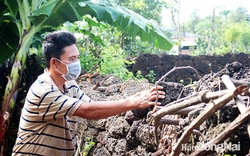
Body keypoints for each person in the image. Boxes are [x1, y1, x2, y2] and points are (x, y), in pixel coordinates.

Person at [12, 31, 165, 156]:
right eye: (72, 59)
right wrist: (133, 102)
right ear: (54, 62)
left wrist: (133, 98)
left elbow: (90, 105)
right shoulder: (43, 90)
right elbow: (87, 111)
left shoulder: (69, 84)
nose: (76, 63)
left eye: (77, 58)